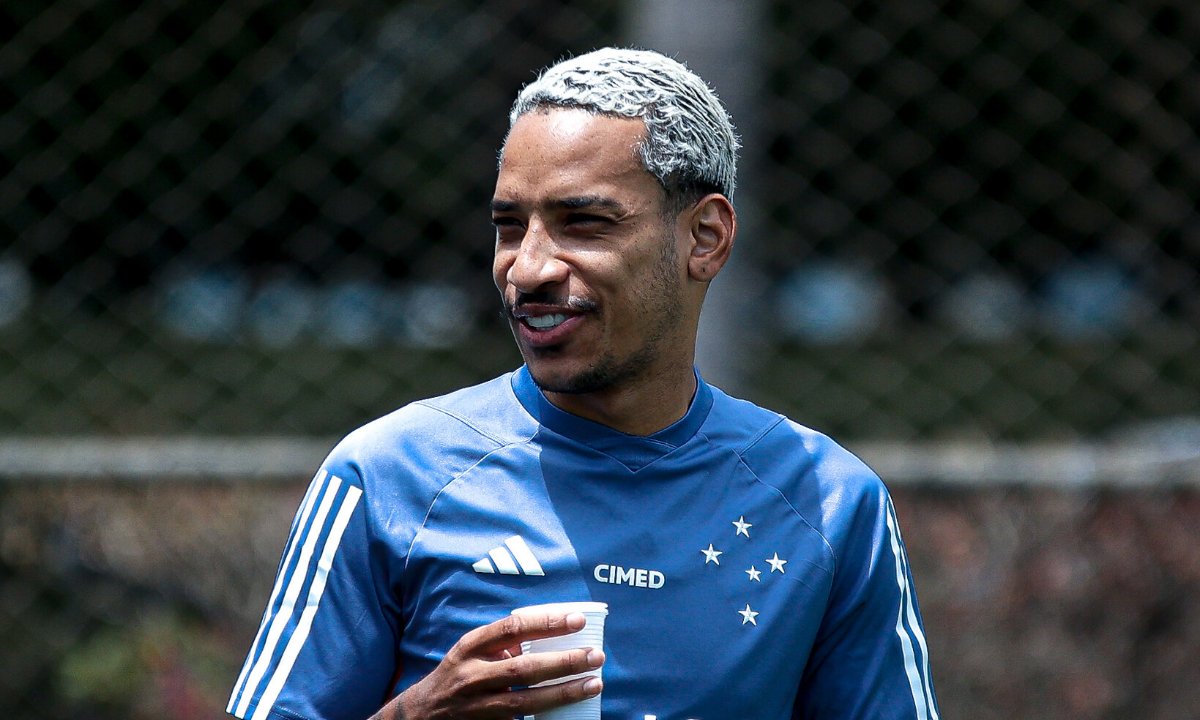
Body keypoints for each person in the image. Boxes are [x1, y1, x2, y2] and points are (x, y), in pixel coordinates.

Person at [227, 47, 939, 720]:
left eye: (585, 224)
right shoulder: (388, 476)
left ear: (705, 238)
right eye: (510, 227)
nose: (528, 268)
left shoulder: (829, 503)